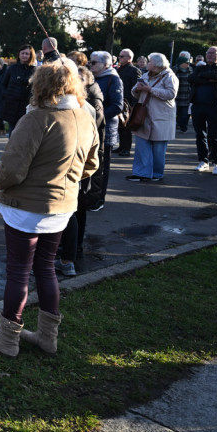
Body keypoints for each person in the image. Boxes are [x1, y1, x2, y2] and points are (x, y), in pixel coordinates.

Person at [0, 60, 99, 357]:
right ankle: (48, 337)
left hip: (27, 208)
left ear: (40, 85)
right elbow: (92, 164)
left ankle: (8, 339)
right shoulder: (85, 116)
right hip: (62, 208)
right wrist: (66, 181)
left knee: (19, 272)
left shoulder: (38, 119)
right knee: (46, 268)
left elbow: (11, 170)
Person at [58, 59, 105, 276]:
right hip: (76, 170)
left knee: (71, 213)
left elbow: (94, 146)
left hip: (66, 171)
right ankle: (68, 255)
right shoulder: (80, 106)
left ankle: (67, 257)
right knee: (72, 212)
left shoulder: (83, 107)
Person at [126, 53, 178, 183]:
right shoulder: (145, 75)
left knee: (158, 149)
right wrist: (137, 89)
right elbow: (134, 93)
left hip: (161, 118)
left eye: (149, 61)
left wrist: (150, 90)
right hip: (144, 116)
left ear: (157, 64)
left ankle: (156, 173)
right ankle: (141, 173)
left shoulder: (170, 76)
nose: (146, 63)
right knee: (141, 146)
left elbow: (171, 94)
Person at [89, 51, 123, 212]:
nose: (90, 64)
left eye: (94, 62)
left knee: (102, 165)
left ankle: (99, 199)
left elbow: (117, 105)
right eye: (90, 61)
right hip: (91, 127)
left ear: (106, 64)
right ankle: (90, 196)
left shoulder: (113, 79)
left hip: (105, 128)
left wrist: (98, 118)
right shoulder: (92, 78)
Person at [190, 46, 217, 175]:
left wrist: (204, 78)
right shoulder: (200, 67)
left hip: (215, 105)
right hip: (198, 105)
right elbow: (191, 78)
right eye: (208, 53)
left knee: (214, 135)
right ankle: (203, 161)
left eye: (213, 53)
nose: (210, 55)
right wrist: (209, 78)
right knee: (200, 135)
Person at [1, 44, 37, 134]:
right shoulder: (12, 68)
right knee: (12, 132)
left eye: (27, 54)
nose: (24, 55)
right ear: (19, 54)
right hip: (12, 105)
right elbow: (3, 84)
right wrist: (7, 96)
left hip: (26, 106)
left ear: (31, 55)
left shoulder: (34, 70)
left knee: (24, 132)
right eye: (22, 53)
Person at [115, 49, 141, 157]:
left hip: (129, 102)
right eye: (119, 56)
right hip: (120, 100)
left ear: (129, 58)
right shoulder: (119, 69)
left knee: (126, 126)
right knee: (120, 125)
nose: (119, 58)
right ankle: (121, 146)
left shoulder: (134, 70)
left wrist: (134, 104)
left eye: (122, 56)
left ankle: (126, 148)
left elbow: (137, 88)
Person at [174, 51, 194, 133]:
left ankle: (183, 126)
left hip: (187, 95)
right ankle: (178, 124)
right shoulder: (174, 70)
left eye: (188, 62)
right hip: (177, 95)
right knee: (178, 112)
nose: (188, 64)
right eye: (186, 62)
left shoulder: (191, 70)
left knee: (185, 114)